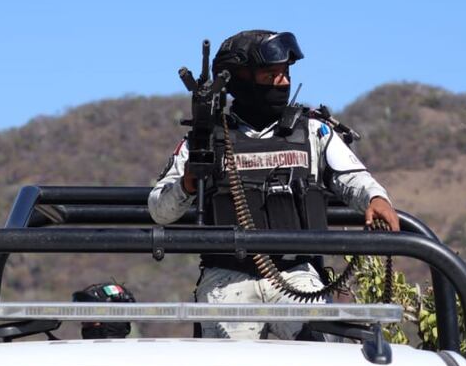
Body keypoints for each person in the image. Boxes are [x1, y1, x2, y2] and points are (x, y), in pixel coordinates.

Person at [148, 30, 399, 339]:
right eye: (271, 74)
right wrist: (187, 183)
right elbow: (159, 211)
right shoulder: (204, 139)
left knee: (320, 359)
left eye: (285, 74)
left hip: (297, 275)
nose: (283, 82)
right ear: (240, 80)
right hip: (227, 279)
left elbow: (353, 178)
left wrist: (376, 198)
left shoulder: (312, 132)